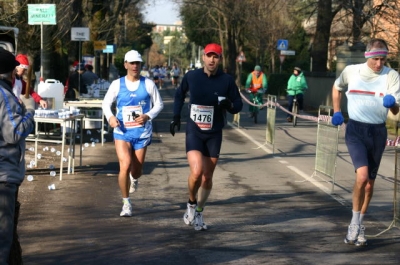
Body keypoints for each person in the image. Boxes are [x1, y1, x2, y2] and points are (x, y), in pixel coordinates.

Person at [331, 38, 400, 246]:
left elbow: (396, 110)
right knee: (361, 177)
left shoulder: (392, 76)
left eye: (383, 59)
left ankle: (361, 223)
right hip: (356, 129)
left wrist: (393, 103)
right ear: (367, 56)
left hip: (378, 131)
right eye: (376, 59)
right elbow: (337, 88)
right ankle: (353, 223)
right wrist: (336, 111)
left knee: (369, 185)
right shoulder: (352, 71)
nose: (379, 64)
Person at [170, 43, 243, 231]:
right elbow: (179, 95)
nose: (212, 60)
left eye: (216, 56)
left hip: (214, 133)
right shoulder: (192, 77)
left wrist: (228, 105)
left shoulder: (226, 80)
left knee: (207, 178)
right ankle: (191, 204)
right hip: (194, 130)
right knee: (196, 172)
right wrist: (176, 116)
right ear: (203, 57)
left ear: (220, 59)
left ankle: (200, 211)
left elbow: (238, 104)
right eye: (209, 56)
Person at [102, 50, 164, 217]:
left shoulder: (148, 84)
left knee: (136, 170)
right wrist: (111, 117)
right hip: (122, 131)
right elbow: (106, 104)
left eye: (138, 63)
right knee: (125, 164)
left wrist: (147, 115)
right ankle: (126, 203)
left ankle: (134, 179)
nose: (135, 66)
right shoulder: (117, 84)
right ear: (126, 65)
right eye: (132, 63)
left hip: (141, 133)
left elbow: (159, 104)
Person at [0, 48, 35, 264]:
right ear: (11, 73)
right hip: (3, 176)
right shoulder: (4, 95)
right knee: (2, 241)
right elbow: (13, 133)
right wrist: (29, 111)